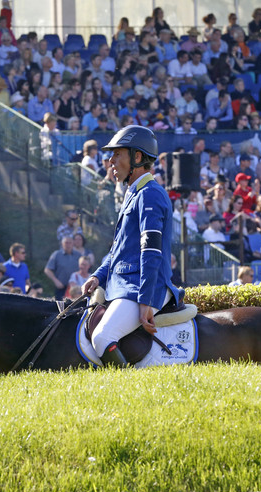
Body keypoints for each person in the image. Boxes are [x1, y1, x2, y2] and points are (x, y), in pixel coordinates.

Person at [80, 125, 180, 366]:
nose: (110, 161)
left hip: (143, 288)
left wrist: (146, 299)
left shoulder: (149, 195)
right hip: (125, 285)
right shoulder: (134, 194)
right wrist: (99, 276)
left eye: (117, 154)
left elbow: (151, 252)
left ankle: (126, 389)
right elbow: (118, 250)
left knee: (103, 337)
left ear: (137, 157)